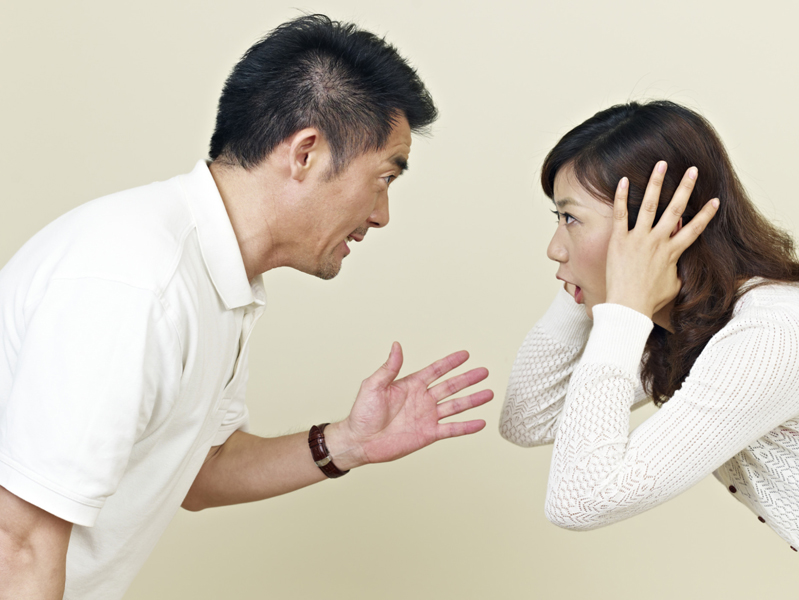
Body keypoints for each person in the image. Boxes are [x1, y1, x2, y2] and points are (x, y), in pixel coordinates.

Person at [0, 15, 494, 599]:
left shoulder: (214, 279)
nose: (382, 215)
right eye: (384, 178)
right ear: (306, 153)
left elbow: (200, 472)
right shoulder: (139, 281)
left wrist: (347, 443)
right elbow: (19, 543)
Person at [500, 100, 799, 550]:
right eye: (557, 218)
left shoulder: (769, 334)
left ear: (660, 226)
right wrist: (592, 285)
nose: (554, 249)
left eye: (571, 219)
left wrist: (621, 300)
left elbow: (577, 502)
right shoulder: (687, 321)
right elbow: (528, 419)